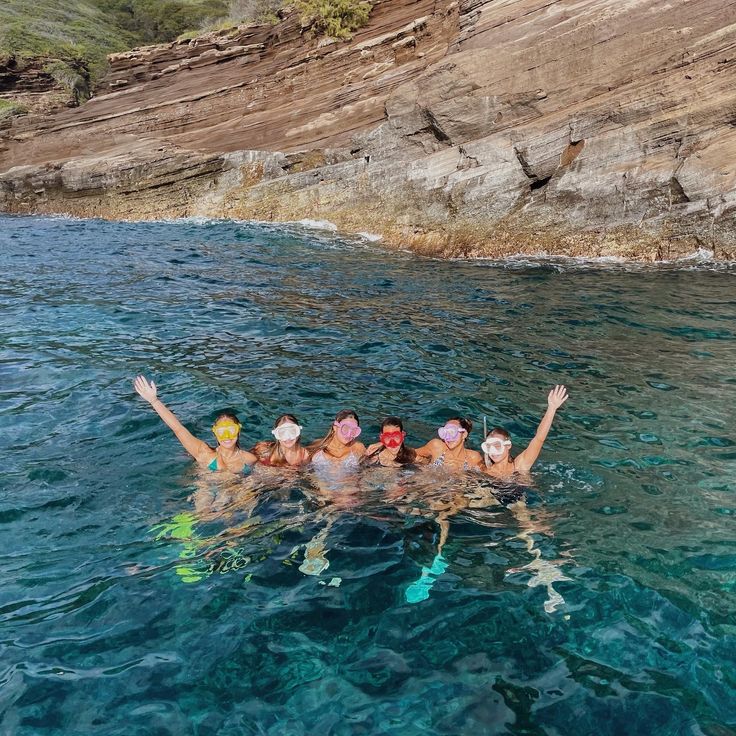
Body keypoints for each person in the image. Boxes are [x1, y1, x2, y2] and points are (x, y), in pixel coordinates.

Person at [133, 375, 256, 473]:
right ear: (215, 433)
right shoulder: (203, 452)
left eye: (231, 430)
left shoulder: (250, 459)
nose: (227, 436)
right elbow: (178, 429)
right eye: (221, 431)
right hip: (206, 493)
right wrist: (154, 401)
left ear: (238, 431)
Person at [481, 384, 568, 478]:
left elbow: (539, 438)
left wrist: (551, 408)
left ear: (508, 445)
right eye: (489, 447)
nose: (493, 451)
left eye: (497, 445)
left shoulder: (520, 466)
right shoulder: (484, 472)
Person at [415, 417, 483, 471]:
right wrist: (424, 463)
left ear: (464, 434)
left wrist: (459, 473)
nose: (448, 437)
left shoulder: (473, 458)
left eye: (452, 432)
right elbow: (410, 454)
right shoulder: (437, 446)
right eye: (445, 432)